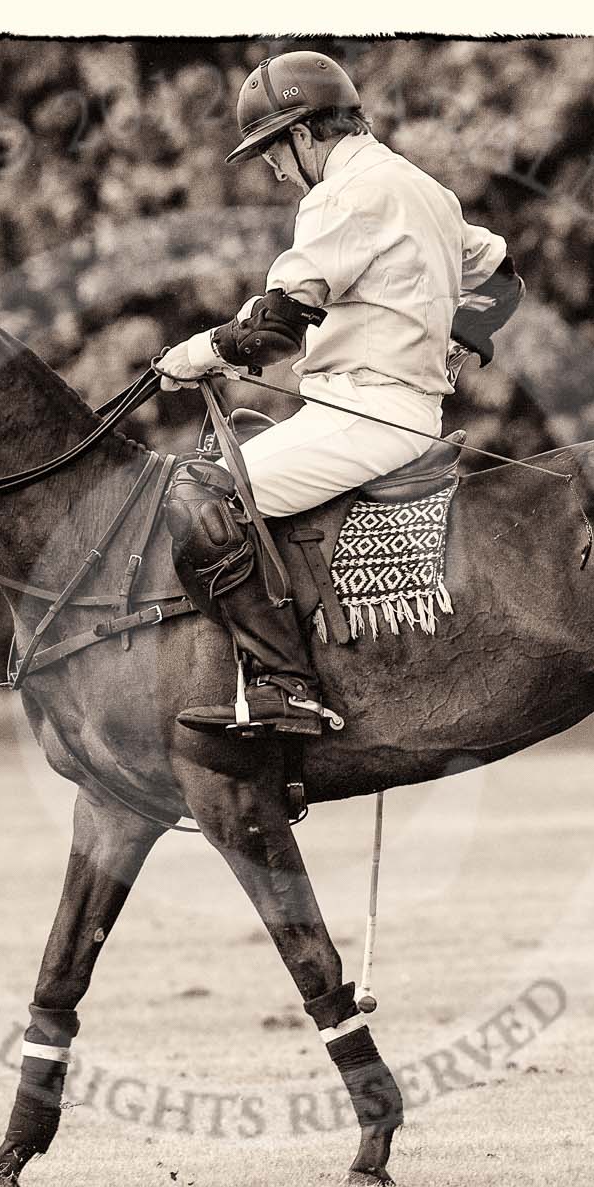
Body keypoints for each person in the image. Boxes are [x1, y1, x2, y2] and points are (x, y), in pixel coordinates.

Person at [156, 50, 524, 737]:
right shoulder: (421, 187)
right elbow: (504, 279)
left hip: (364, 418)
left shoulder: (343, 195)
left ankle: (284, 686)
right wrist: (467, 333)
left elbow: (276, 325)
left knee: (198, 494)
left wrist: (197, 351)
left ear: (302, 134)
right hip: (402, 413)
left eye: (272, 151)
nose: (273, 170)